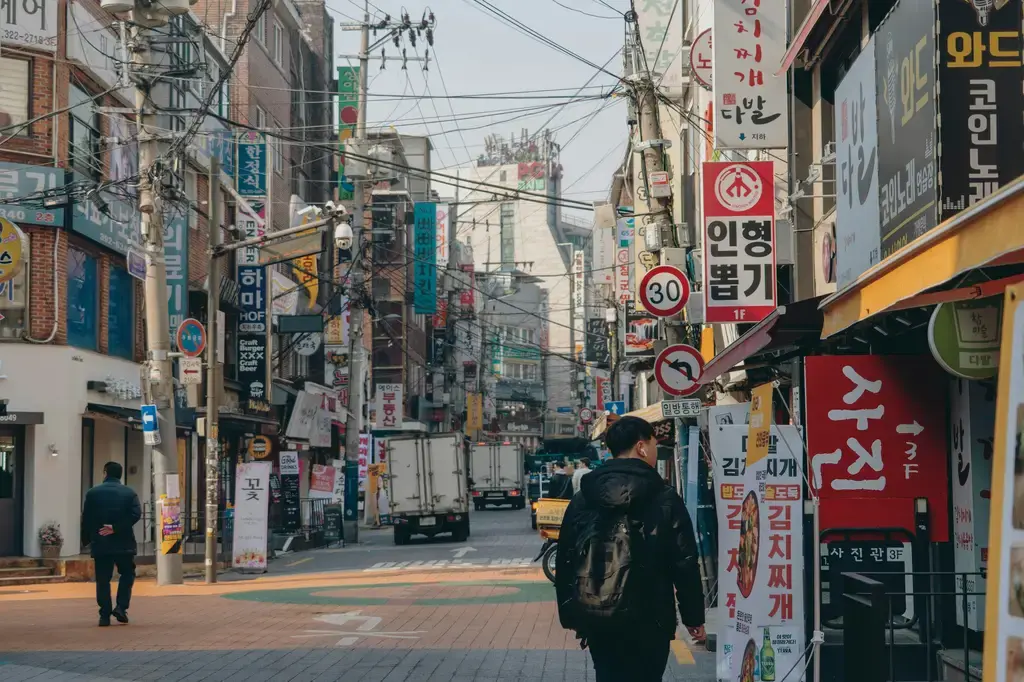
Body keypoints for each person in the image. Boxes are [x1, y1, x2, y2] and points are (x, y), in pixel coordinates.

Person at [555, 416, 706, 681]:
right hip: (651, 617)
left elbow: (566, 558)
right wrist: (693, 616)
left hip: (599, 613)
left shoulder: (583, 498)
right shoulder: (664, 497)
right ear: (641, 447)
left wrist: (571, 614)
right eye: (653, 443)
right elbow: (684, 562)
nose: (655, 449)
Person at [81, 461, 142, 627]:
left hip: (101, 541)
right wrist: (115, 528)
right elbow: (136, 514)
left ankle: (104, 615)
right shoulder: (129, 493)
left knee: (103, 579)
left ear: (105, 472)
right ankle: (121, 608)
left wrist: (87, 539)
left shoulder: (93, 493)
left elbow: (86, 518)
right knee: (127, 574)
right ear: (120, 475)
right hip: (124, 542)